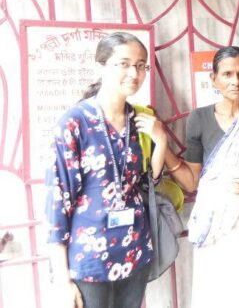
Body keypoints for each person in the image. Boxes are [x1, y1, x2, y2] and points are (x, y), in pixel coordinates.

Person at [46, 32, 170, 308]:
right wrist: (62, 279)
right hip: (89, 258)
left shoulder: (140, 119)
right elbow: (58, 201)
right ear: (101, 66)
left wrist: (161, 141)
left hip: (134, 250)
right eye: (124, 64)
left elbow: (148, 182)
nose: (134, 73)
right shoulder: (74, 123)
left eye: (141, 66)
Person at [161, 46, 239, 308]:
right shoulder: (199, 119)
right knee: (220, 292)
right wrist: (161, 145)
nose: (236, 81)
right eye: (227, 74)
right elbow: (192, 181)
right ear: (214, 79)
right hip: (215, 225)